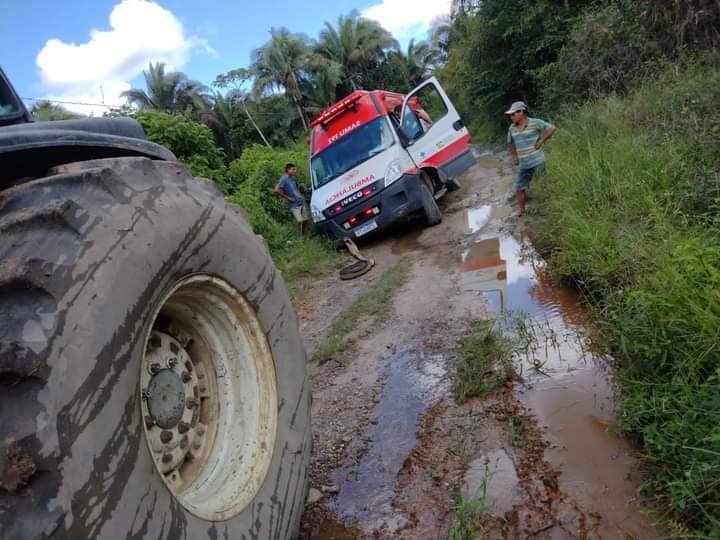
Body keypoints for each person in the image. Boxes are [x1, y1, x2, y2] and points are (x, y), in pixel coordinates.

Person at [505, 101, 556, 216]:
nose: (511, 117)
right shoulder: (511, 128)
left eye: (513, 114)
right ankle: (521, 210)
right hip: (524, 164)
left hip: (538, 161)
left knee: (544, 184)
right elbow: (510, 142)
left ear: (521, 112)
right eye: (510, 115)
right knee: (519, 187)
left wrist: (541, 141)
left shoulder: (535, 122)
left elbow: (552, 128)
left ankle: (551, 205)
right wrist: (515, 156)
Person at [275, 163, 309, 234]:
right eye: (293, 169)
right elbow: (277, 190)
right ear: (288, 170)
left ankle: (304, 236)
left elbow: (297, 187)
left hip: (300, 201)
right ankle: (300, 237)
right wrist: (288, 198)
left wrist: (301, 195)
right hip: (293, 204)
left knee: (305, 220)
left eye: (295, 169)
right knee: (300, 221)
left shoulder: (293, 178)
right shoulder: (283, 179)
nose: (295, 171)